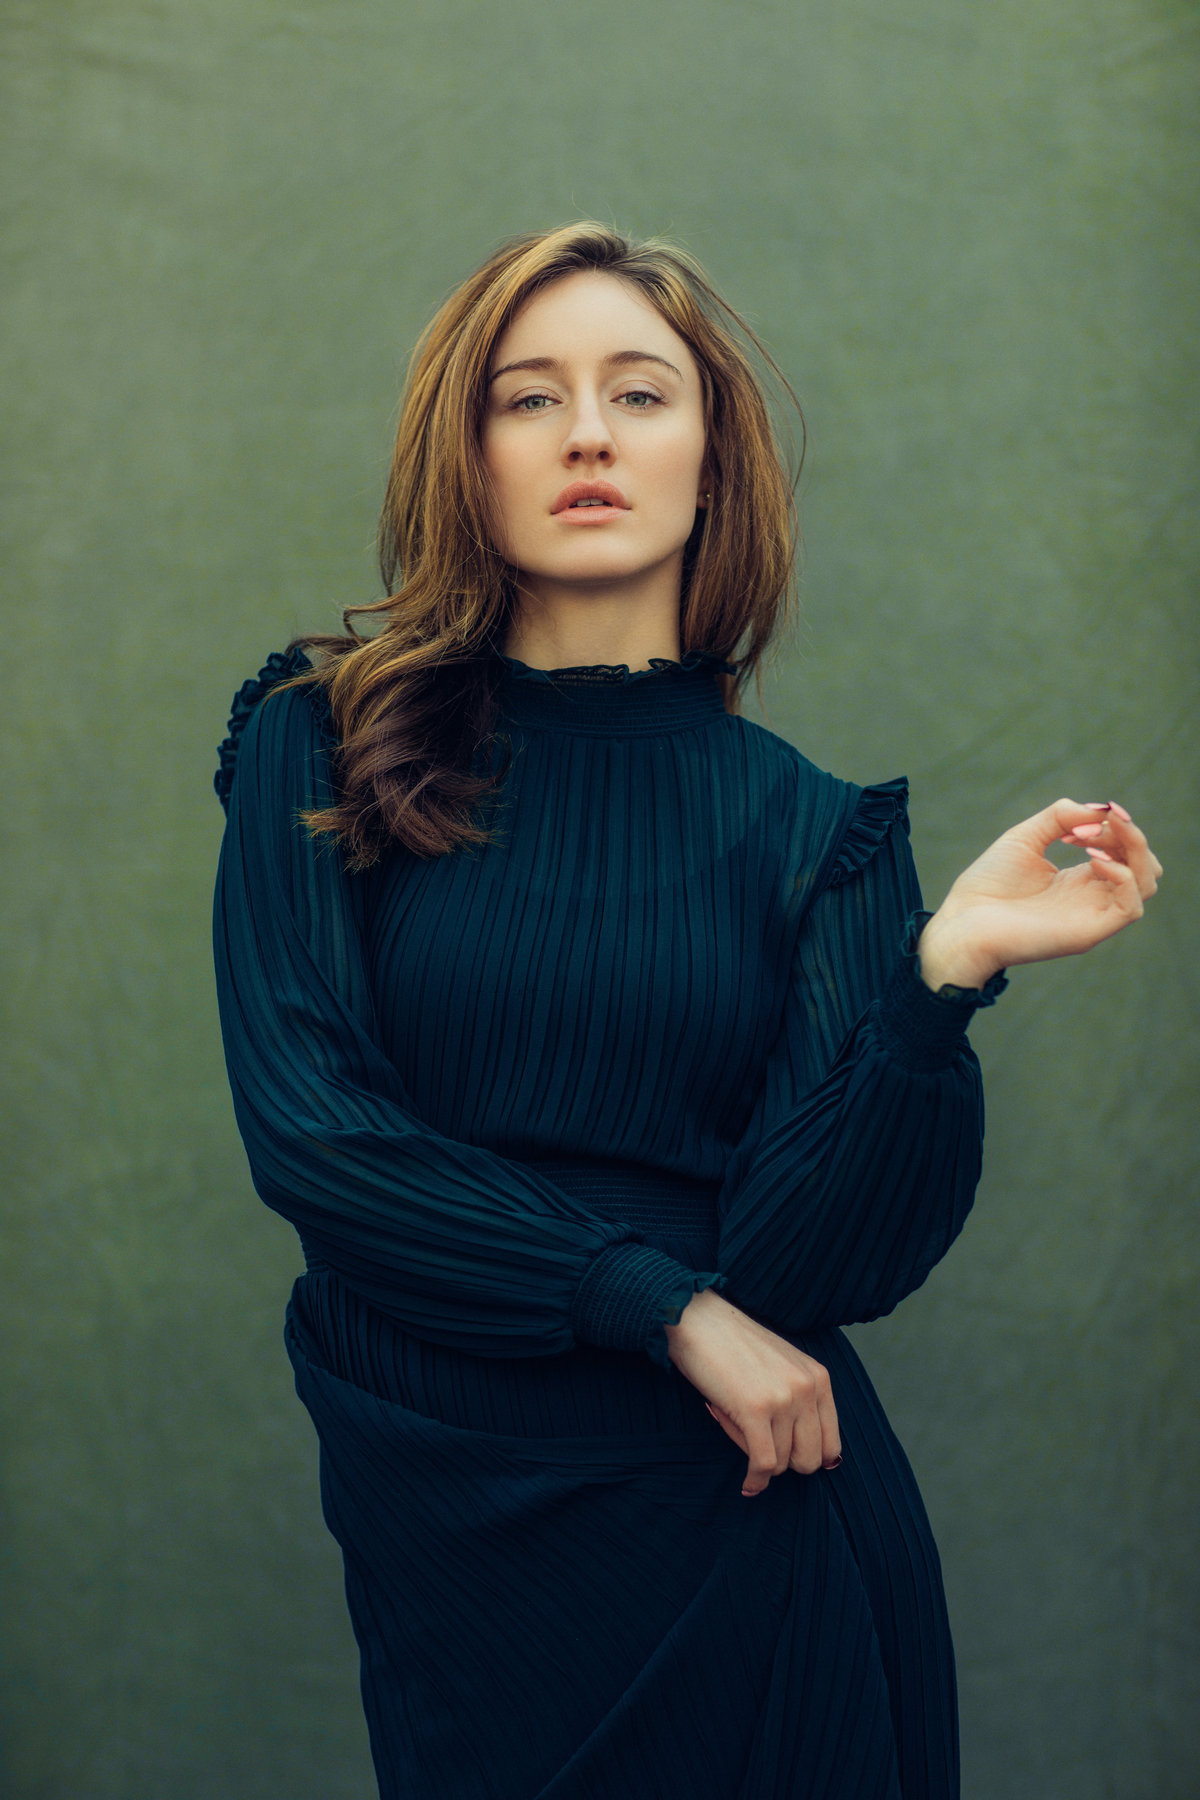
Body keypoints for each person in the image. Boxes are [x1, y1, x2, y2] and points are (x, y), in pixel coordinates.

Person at [212, 223, 1161, 1800]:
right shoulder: (327, 747)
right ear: (473, 458)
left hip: (762, 1531)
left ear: (711, 459)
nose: (588, 432)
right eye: (532, 399)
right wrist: (664, 1304)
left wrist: (943, 980)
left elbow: (811, 1266)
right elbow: (317, 1136)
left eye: (640, 394)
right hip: (470, 1512)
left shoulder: (821, 830)